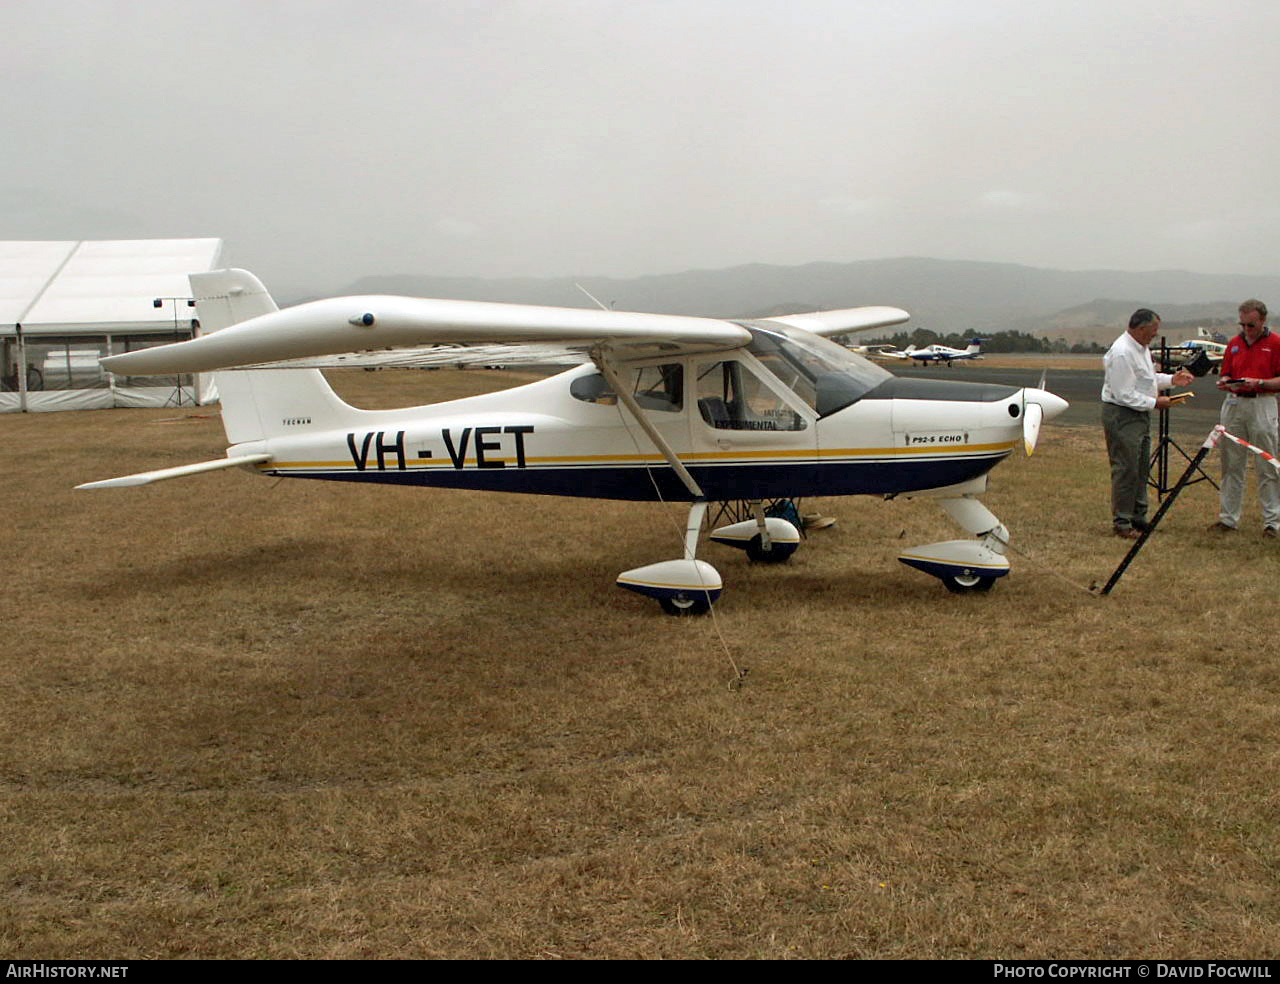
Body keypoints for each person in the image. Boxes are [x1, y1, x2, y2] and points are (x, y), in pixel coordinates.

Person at [1101, 309, 1194, 538]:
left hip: (1140, 413)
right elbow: (1124, 394)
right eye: (1153, 331)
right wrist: (1155, 403)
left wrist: (1172, 380)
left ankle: (1138, 517)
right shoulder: (1122, 352)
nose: (1155, 335)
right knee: (1127, 468)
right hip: (1123, 414)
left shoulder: (1142, 350)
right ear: (1141, 328)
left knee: (1141, 467)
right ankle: (1122, 522)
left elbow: (1147, 380)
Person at [1210, 299, 1280, 535]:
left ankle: (1272, 522)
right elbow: (1226, 372)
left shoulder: (1275, 343)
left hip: (1262, 403)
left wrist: (1260, 382)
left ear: (1263, 321)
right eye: (1243, 325)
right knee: (1231, 463)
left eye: (1251, 325)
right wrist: (1226, 382)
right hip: (1234, 403)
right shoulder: (1234, 344)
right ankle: (1228, 519)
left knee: (1267, 463)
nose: (1247, 330)